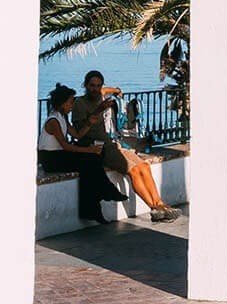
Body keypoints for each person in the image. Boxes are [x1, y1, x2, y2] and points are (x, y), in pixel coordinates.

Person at [71, 70, 179, 222]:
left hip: (112, 143)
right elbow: (79, 131)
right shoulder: (79, 103)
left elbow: (106, 90)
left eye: (98, 85)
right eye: (91, 85)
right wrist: (99, 109)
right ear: (85, 85)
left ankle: (160, 203)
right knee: (134, 170)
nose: (95, 89)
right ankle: (153, 208)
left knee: (144, 166)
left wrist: (117, 91)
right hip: (97, 148)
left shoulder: (99, 94)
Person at [39, 84, 129, 224]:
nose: (71, 105)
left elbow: (77, 135)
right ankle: (106, 192)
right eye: (70, 102)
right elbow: (66, 146)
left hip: (59, 155)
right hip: (50, 159)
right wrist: (90, 150)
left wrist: (89, 123)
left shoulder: (62, 117)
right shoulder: (53, 121)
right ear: (62, 103)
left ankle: (94, 208)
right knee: (90, 160)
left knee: (90, 166)